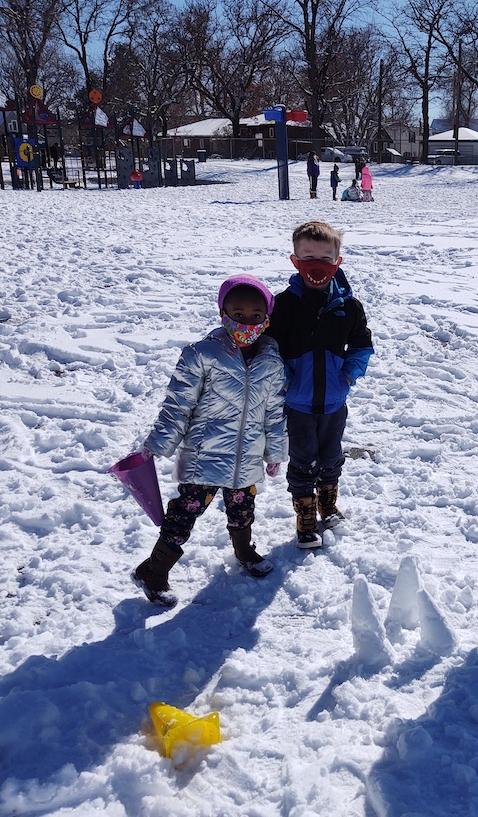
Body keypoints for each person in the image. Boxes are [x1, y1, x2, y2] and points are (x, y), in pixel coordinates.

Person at [132, 275, 288, 606]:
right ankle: (154, 570)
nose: (247, 323)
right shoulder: (201, 355)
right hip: (204, 456)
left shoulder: (272, 362)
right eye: (238, 314)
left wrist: (275, 452)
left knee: (243, 509)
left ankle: (244, 552)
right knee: (184, 515)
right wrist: (158, 443)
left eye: (256, 317)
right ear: (223, 313)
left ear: (267, 319)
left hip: (246, 458)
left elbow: (274, 413)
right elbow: (178, 404)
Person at [269, 221, 374, 549]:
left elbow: (361, 345)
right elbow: (270, 348)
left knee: (331, 456)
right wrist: (283, 380)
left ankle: (327, 503)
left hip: (333, 402)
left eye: (325, 258)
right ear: (295, 260)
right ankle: (306, 516)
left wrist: (348, 375)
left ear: (338, 261)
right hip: (298, 404)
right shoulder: (283, 305)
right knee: (303, 460)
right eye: (308, 256)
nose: (317, 264)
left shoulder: (349, 307)